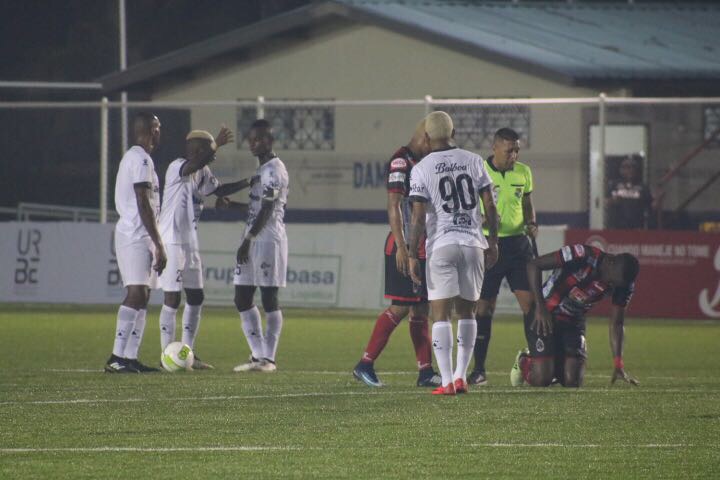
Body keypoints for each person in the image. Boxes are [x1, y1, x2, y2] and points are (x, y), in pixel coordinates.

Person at [407, 111, 499, 396]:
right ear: (453, 133)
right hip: (472, 244)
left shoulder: (421, 168)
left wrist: (412, 253)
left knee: (440, 315)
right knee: (468, 312)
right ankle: (461, 377)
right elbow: (490, 206)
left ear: (426, 137)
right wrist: (493, 241)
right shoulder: (474, 160)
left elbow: (418, 217)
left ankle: (446, 380)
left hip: (442, 245)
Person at [157, 127, 257, 369]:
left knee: (196, 296)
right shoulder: (177, 167)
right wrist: (217, 143)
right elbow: (195, 164)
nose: (214, 155)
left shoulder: (202, 172)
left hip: (190, 242)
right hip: (171, 240)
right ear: (197, 149)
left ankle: (187, 353)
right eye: (209, 148)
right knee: (172, 298)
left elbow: (218, 190)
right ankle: (166, 356)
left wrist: (248, 182)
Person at [352, 120, 441, 388]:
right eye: (435, 143)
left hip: (422, 246)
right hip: (405, 247)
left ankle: (425, 371)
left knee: (420, 309)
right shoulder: (401, 162)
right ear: (426, 138)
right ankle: (365, 364)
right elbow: (393, 205)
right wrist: (403, 247)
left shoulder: (422, 162)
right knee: (401, 307)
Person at [510, 244, 640, 388]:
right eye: (612, 280)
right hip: (545, 313)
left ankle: (552, 362)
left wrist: (618, 364)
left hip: (573, 322)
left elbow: (617, 323)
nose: (611, 285)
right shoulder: (581, 254)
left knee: (573, 382)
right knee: (542, 379)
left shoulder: (623, 284)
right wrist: (540, 308)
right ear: (610, 262)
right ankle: (524, 361)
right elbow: (534, 265)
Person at [468, 128, 538, 386]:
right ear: (495, 148)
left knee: (530, 305)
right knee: (484, 308)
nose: (514, 155)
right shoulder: (479, 172)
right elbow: (468, 207)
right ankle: (479, 370)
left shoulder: (524, 172)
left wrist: (532, 222)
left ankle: (538, 363)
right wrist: (481, 219)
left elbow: (527, 202)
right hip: (488, 245)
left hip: (519, 246)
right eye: (510, 151)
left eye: (517, 150)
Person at [105, 112, 166, 373]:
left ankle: (130, 357)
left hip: (143, 235)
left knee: (144, 295)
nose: (160, 132)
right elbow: (143, 202)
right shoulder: (140, 159)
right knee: (136, 293)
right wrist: (159, 243)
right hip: (134, 235)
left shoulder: (138, 158)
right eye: (158, 127)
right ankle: (116, 357)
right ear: (152, 130)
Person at [233, 119, 289, 373]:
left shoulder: (275, 170)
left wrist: (248, 239)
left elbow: (268, 208)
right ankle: (258, 355)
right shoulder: (262, 170)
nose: (253, 144)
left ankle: (269, 359)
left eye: (259, 139)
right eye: (251, 139)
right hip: (254, 237)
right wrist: (232, 206)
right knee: (242, 297)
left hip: (267, 241)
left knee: (268, 297)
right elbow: (256, 207)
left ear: (270, 141)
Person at [606, 155, 652, 229]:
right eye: (627, 167)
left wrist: (658, 199)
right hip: (617, 226)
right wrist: (612, 201)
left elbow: (650, 205)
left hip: (637, 227)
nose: (630, 170)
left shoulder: (643, 187)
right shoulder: (614, 184)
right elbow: (604, 201)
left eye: (633, 167)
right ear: (621, 170)